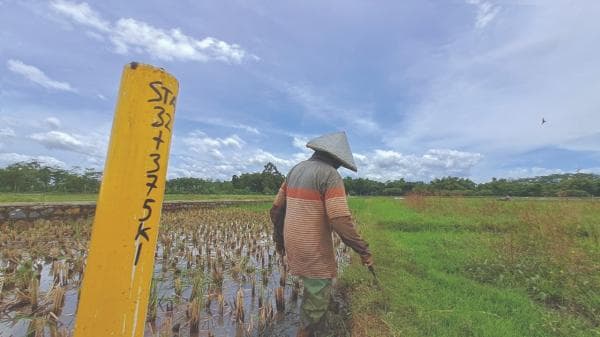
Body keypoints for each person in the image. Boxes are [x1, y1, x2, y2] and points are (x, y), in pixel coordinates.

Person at [270, 131, 374, 337]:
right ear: (336, 159)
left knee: (315, 287)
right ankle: (306, 330)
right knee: (316, 296)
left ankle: (323, 314)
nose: (338, 167)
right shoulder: (329, 175)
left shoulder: (295, 170)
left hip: (293, 241)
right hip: (312, 245)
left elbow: (276, 209)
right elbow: (340, 219)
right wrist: (363, 250)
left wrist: (279, 239)